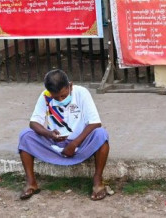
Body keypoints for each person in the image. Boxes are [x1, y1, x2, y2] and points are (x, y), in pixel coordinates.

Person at [17, 69, 110, 201]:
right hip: (55, 145)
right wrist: (49, 134)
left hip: (80, 144)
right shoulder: (45, 96)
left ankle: (98, 180)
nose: (60, 99)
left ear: (70, 86)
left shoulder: (82, 93)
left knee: (101, 135)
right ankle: (31, 182)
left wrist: (74, 143)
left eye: (63, 95)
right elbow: (33, 123)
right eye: (56, 97)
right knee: (25, 135)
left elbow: (95, 123)